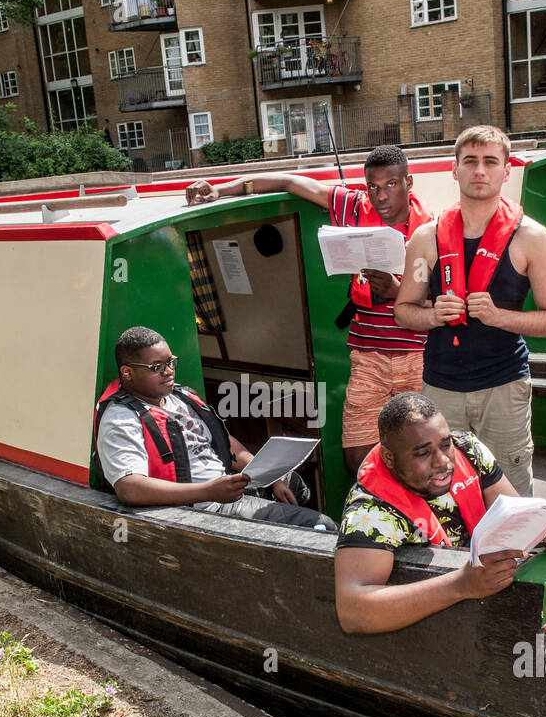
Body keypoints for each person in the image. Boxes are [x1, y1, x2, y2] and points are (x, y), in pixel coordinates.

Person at [185, 145, 432, 474]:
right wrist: (220, 189)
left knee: (422, 454)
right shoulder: (352, 208)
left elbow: (445, 308)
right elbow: (289, 183)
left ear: (408, 182)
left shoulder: (433, 231)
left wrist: (397, 292)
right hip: (367, 354)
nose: (381, 196)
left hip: (419, 356)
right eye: (373, 187)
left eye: (391, 185)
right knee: (356, 460)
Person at [395, 125, 546, 498]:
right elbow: (404, 311)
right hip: (440, 385)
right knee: (442, 488)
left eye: (490, 162)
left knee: (512, 491)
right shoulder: (427, 238)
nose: (479, 171)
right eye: (470, 161)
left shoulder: (531, 238)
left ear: (506, 171)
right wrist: (432, 315)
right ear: (454, 170)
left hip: (503, 386)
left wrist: (499, 316)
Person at [333, 393, 546, 634]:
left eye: (445, 444)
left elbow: (517, 519)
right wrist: (460, 585)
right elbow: (353, 612)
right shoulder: (369, 512)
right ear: (389, 457)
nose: (443, 461)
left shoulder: (468, 449)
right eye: (423, 452)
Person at [94, 327, 336, 530]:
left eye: (170, 362)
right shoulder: (122, 418)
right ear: (127, 372)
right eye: (157, 367)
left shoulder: (181, 396)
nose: (168, 371)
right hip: (203, 506)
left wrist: (268, 478)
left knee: (292, 484)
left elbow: (226, 443)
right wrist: (209, 491)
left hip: (222, 485)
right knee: (323, 525)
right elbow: (129, 489)